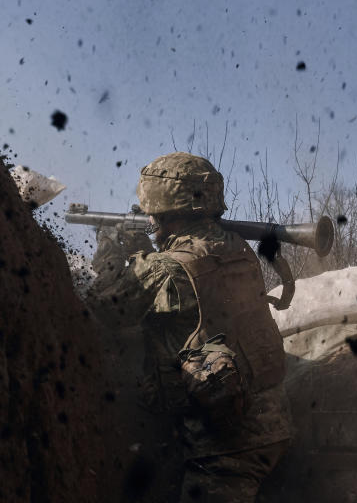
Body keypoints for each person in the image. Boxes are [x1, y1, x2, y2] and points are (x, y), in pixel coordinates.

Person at [123, 151, 293, 502]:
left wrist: (115, 255)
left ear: (163, 211)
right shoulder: (236, 247)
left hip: (225, 445)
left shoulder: (168, 267)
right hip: (272, 421)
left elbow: (106, 309)